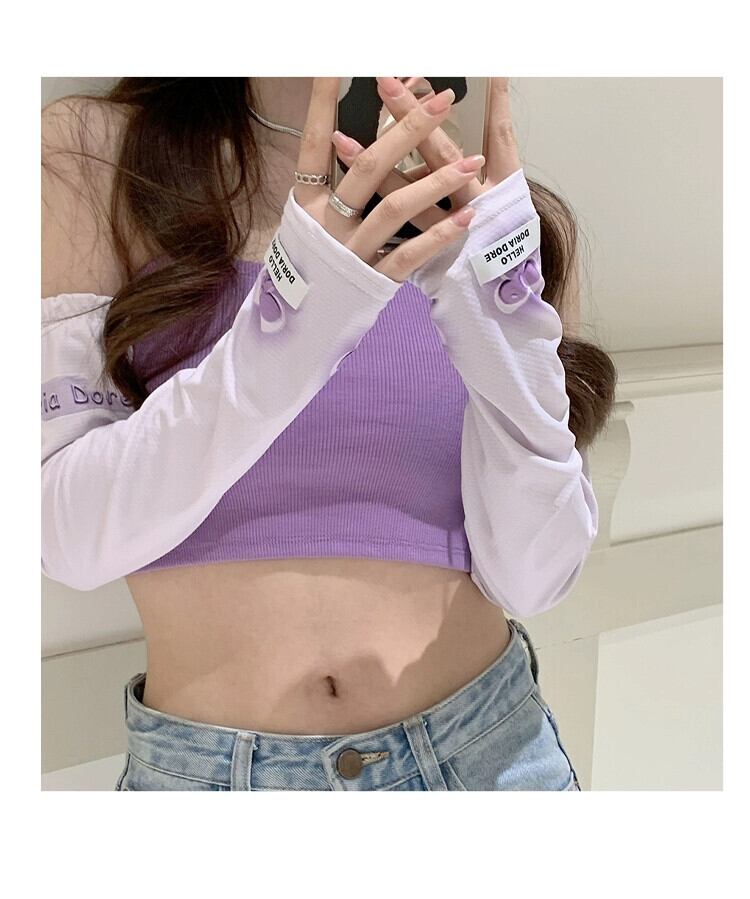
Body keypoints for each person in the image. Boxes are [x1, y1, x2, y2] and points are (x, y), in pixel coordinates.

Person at [41, 76, 616, 791]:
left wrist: (500, 332)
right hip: (213, 779)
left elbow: (534, 579)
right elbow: (66, 540)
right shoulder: (95, 155)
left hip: (490, 755)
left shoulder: (501, 209)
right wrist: (293, 324)